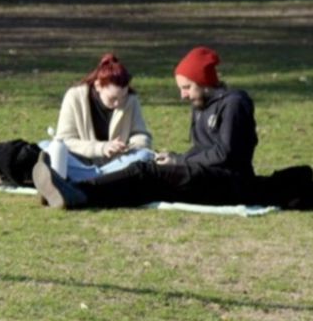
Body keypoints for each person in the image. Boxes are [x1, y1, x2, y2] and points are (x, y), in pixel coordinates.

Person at [33, 47, 313, 210]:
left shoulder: (235, 104)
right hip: (207, 176)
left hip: (228, 183)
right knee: (148, 181)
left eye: (187, 87)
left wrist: (179, 162)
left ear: (203, 82)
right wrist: (176, 158)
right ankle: (77, 192)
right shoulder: (202, 106)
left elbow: (226, 154)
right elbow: (203, 151)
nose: (183, 95)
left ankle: (79, 192)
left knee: (146, 173)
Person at [41, 53, 156, 182]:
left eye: (123, 97)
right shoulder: (74, 97)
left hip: (116, 163)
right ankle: (104, 179)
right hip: (80, 162)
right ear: (98, 86)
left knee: (145, 155)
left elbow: (141, 135)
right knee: (45, 147)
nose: (118, 103)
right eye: (113, 98)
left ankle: (88, 179)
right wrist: (102, 148)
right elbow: (65, 141)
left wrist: (130, 147)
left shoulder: (131, 100)